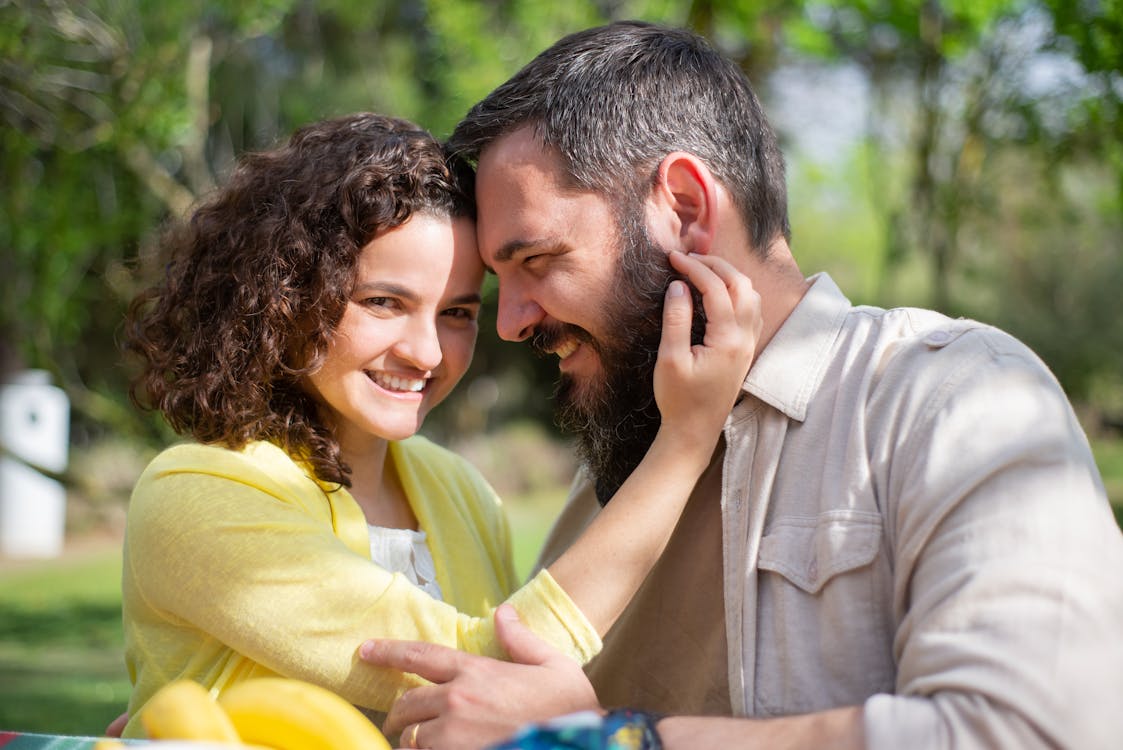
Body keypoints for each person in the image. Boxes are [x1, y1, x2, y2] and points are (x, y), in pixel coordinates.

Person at [358, 21, 1123, 750]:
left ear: (685, 210)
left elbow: (1040, 731)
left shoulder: (953, 399)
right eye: (498, 280)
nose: (510, 323)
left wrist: (609, 739)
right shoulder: (598, 503)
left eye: (536, 261)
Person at [116, 111, 760, 739]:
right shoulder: (198, 492)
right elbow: (489, 676)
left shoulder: (461, 490)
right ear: (284, 295)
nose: (427, 353)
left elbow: (499, 721)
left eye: (456, 312)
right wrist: (683, 442)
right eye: (384, 302)